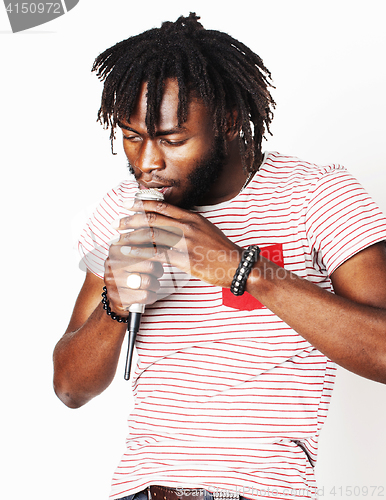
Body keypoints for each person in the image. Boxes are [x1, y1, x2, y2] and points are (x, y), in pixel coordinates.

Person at [53, 13, 386, 500]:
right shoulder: (123, 208)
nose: (147, 162)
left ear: (228, 120)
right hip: (141, 489)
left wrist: (243, 270)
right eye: (131, 136)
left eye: (172, 140)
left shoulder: (318, 195)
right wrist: (116, 304)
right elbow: (69, 388)